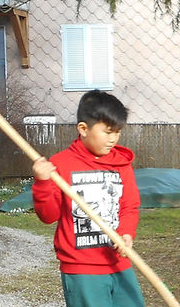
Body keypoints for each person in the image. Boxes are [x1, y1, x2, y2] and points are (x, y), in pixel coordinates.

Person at [31, 90, 145, 307]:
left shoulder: (121, 164)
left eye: (118, 132)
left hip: (119, 262)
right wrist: (43, 183)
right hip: (82, 268)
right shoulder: (61, 164)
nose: (113, 139)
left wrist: (127, 234)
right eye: (107, 132)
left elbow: (129, 206)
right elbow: (48, 216)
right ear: (83, 129)